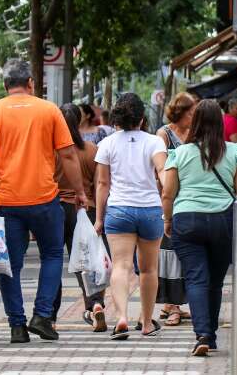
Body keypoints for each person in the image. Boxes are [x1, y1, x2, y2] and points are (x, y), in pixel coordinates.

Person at [0, 59, 87, 343]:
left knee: (9, 263)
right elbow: (69, 155)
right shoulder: (48, 110)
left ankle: (17, 326)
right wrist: (80, 192)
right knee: (52, 255)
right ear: (31, 83)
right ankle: (42, 315)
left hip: (7, 201)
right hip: (45, 198)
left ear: (5, 85)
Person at [162, 100, 237, 356]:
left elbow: (168, 193)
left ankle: (202, 334)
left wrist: (167, 220)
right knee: (215, 281)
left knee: (195, 277)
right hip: (223, 220)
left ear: (196, 121)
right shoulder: (234, 151)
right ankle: (210, 335)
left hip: (187, 219)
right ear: (219, 122)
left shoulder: (179, 153)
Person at [94, 93, 167, 340]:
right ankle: (146, 323)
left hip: (119, 210)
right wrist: (168, 200)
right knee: (148, 269)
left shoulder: (107, 144)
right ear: (142, 118)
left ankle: (122, 317)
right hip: (149, 210)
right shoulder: (154, 142)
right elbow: (162, 172)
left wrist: (99, 218)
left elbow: (103, 184)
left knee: (121, 266)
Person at [51, 103, 108, 332]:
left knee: (52, 261)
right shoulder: (92, 149)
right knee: (88, 263)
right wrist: (99, 217)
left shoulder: (50, 150)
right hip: (85, 211)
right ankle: (95, 306)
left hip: (54, 209)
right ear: (79, 120)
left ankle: (50, 316)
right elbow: (100, 185)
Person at [155, 92, 196, 326]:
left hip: (188, 198)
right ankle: (172, 305)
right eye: (189, 112)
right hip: (169, 198)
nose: (192, 116)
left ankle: (175, 303)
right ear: (179, 113)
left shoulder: (194, 133)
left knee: (182, 253)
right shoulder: (164, 134)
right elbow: (159, 170)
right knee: (169, 253)